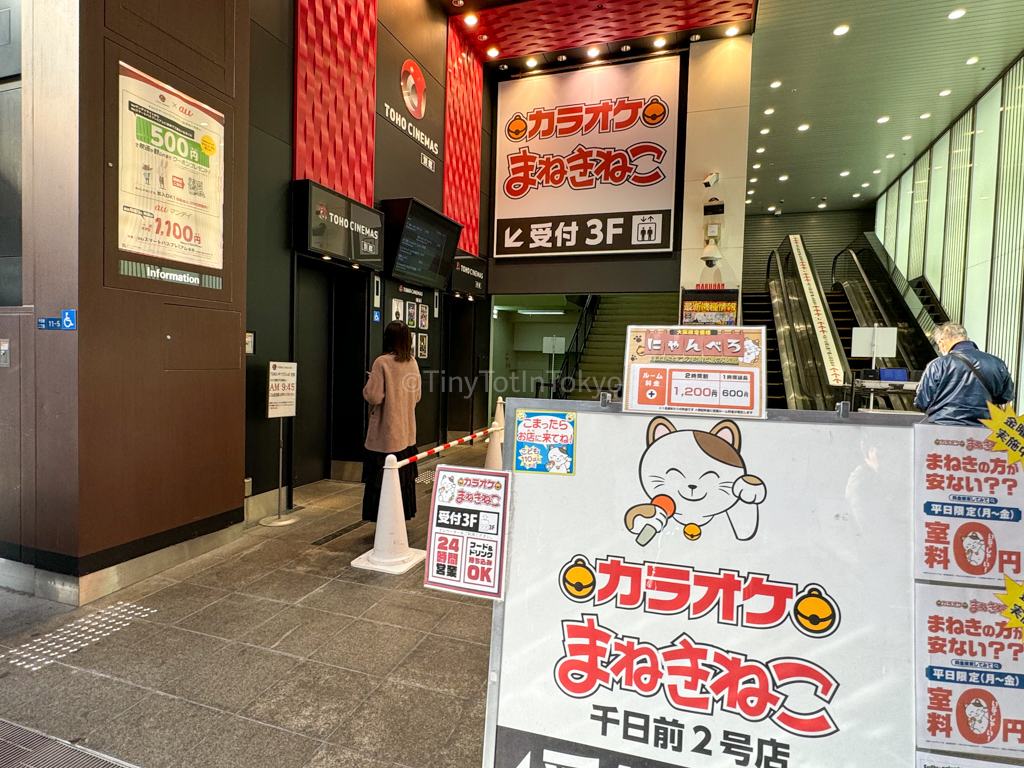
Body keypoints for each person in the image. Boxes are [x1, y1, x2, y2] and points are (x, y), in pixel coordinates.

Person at [362, 321, 422, 521]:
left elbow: (374, 396)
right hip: (406, 431)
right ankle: (400, 517)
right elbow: (417, 396)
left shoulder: (382, 362)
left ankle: (382, 520)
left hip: (386, 433)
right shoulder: (412, 362)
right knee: (404, 479)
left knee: (381, 480)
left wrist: (369, 383)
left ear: (387, 338)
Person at [914, 322, 1015, 426]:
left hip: (943, 428)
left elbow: (922, 401)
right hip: (984, 428)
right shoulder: (996, 363)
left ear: (942, 342)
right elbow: (1006, 396)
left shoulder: (938, 364)